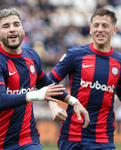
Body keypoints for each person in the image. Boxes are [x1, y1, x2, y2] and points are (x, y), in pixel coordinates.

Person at [0, 8, 89, 150]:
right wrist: (37, 95)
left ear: (23, 30)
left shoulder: (32, 56)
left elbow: (47, 84)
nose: (12, 29)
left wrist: (73, 101)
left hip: (28, 138)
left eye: (16, 24)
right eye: (6, 26)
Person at [48, 8, 121, 150]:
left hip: (103, 138)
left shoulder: (119, 62)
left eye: (105, 26)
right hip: (72, 135)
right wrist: (53, 106)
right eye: (96, 25)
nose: (100, 29)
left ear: (114, 30)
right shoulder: (75, 54)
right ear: (90, 29)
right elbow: (47, 82)